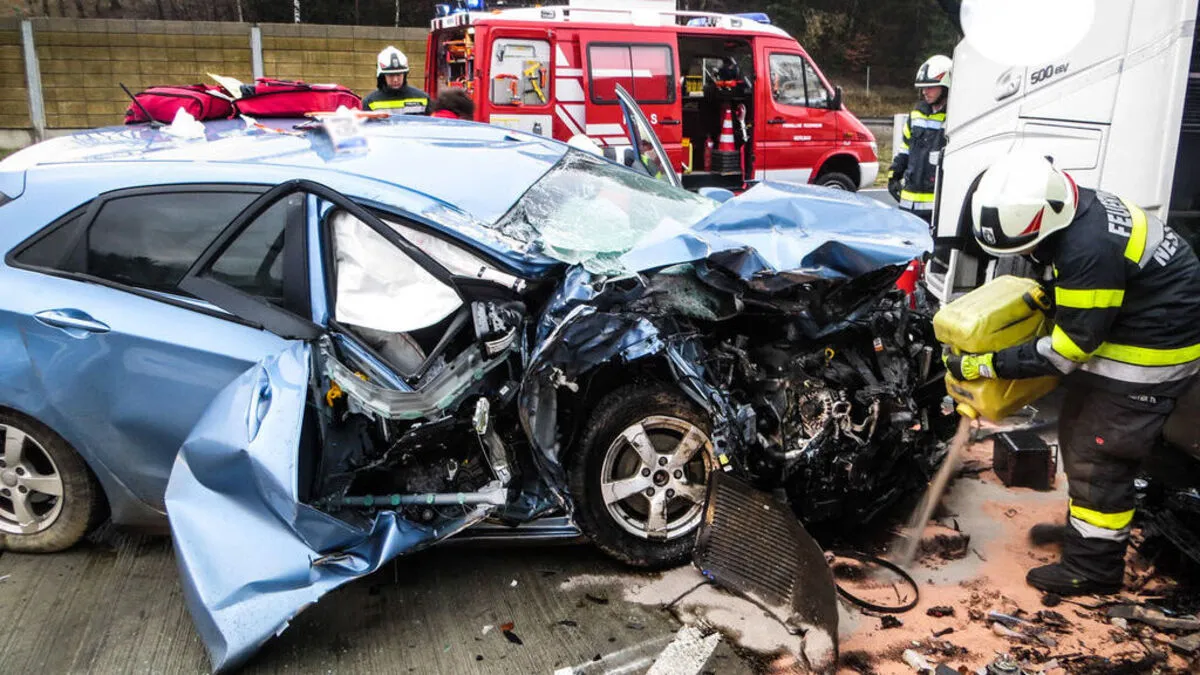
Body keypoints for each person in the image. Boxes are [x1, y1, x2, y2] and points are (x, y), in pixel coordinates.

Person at [947, 151, 1200, 596]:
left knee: (1101, 454)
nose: (1026, 254)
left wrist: (985, 364)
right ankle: (1086, 536)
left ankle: (1094, 569)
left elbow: (1067, 351)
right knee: (1079, 432)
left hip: (1151, 353)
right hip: (1136, 323)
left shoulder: (1088, 249)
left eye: (1027, 246)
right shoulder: (1076, 207)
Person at [888, 55, 952, 223]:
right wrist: (894, 175)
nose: (925, 91)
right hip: (909, 203)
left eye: (930, 86)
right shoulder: (916, 114)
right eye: (923, 88)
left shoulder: (954, 117)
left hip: (936, 206)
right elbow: (905, 149)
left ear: (946, 86)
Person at [364, 46, 430, 114]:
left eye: (399, 75)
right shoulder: (370, 102)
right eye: (390, 75)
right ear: (383, 76)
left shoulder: (423, 99)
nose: (395, 80)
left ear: (404, 75)